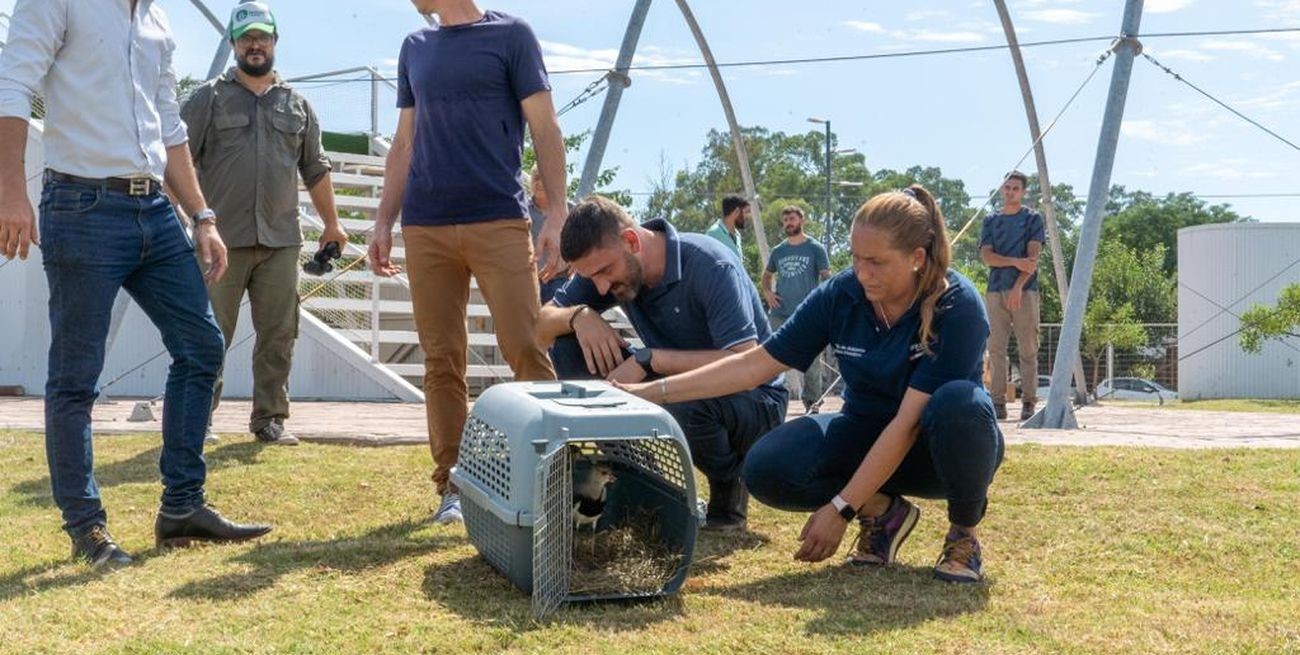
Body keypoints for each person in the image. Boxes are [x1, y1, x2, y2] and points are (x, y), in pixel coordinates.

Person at [0, 0, 271, 569]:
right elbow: (12, 84)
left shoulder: (156, 19)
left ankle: (182, 506)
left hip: (154, 209)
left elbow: (168, 124)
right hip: (81, 205)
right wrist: (9, 191)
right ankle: (87, 528)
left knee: (201, 347)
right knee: (75, 379)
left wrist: (203, 217)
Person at [618, 186, 1002, 583]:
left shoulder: (957, 306)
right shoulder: (842, 293)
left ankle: (963, 534)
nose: (862, 272)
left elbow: (906, 425)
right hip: (865, 431)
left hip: (937, 451)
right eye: (855, 258)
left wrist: (840, 508)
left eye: (876, 262)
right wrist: (649, 394)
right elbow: (753, 366)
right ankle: (884, 514)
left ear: (917, 258)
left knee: (962, 402)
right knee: (766, 466)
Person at [369, 0, 568, 524]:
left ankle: (553, 478)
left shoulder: (512, 35)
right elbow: (405, 142)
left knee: (525, 344)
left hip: (499, 218)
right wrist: (384, 220)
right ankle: (452, 487)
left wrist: (558, 215)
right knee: (441, 360)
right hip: (426, 224)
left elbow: (545, 128)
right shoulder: (415, 47)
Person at [538, 196, 788, 531]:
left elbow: (745, 363)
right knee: (569, 345)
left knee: (683, 399)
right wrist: (579, 315)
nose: (600, 287)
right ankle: (641, 484)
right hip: (670, 383)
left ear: (630, 241)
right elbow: (539, 324)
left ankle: (729, 485)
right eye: (591, 278)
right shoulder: (608, 266)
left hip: (753, 401)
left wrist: (649, 359)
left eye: (604, 272)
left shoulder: (710, 265)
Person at [183, 2, 349, 446]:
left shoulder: (297, 104)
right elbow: (178, 159)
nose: (254, 45)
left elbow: (315, 168)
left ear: (275, 42)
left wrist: (332, 224)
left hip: (281, 240)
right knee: (209, 335)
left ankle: (269, 420)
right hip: (221, 241)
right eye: (245, 38)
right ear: (234, 44)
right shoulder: (206, 99)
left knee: (279, 333)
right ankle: (198, 419)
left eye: (262, 37)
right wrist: (197, 220)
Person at [979, 170, 1045, 421]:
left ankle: (1028, 401)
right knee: (996, 349)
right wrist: (1014, 261)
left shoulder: (1032, 219)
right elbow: (987, 256)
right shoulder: (990, 221)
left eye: (1015, 188)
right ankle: (998, 403)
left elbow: (1032, 261)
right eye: (1007, 187)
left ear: (1023, 191)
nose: (1010, 192)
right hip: (995, 291)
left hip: (1024, 291)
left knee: (1028, 348)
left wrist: (1018, 286)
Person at [761, 205, 831, 415]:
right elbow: (766, 276)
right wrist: (768, 293)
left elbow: (827, 278)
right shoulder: (779, 250)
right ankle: (771, 401)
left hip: (808, 313)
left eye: (792, 219)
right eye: (785, 220)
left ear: (802, 221)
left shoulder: (815, 248)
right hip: (780, 313)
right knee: (770, 357)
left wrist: (823, 301)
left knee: (812, 363)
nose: (788, 223)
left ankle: (812, 405)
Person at [704, 193, 749, 266]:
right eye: (745, 212)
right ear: (736, 211)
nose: (747, 216)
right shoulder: (713, 234)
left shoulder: (737, 235)